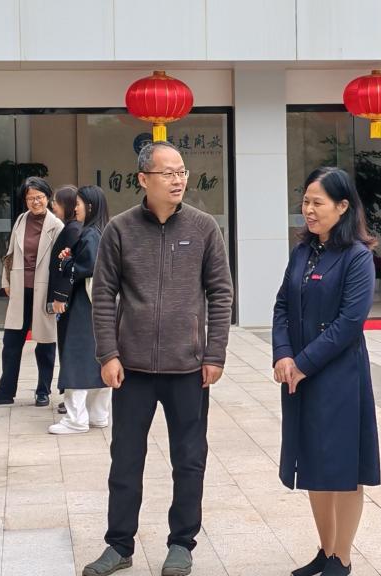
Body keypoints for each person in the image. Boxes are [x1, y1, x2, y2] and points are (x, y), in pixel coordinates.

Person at [83, 141, 233, 576]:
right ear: (143, 179)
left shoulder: (204, 227)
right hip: (132, 370)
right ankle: (119, 545)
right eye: (168, 173)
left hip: (188, 368)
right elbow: (103, 295)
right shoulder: (120, 229)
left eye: (181, 171)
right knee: (125, 460)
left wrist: (214, 352)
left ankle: (182, 543)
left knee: (189, 460)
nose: (178, 180)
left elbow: (221, 292)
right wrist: (108, 353)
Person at [272, 167, 380, 576]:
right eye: (306, 201)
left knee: (344, 469)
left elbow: (349, 323)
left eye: (318, 203)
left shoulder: (357, 257)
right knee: (314, 464)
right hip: (300, 375)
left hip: (340, 378)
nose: (309, 210)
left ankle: (342, 557)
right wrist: (283, 354)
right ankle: (325, 548)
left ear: (343, 206)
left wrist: (302, 363)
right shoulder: (302, 251)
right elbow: (282, 306)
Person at [0, 177, 63, 407]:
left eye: (39, 197)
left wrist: (58, 294)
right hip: (20, 289)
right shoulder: (21, 220)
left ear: (48, 197)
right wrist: (5, 281)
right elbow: (10, 254)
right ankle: (5, 391)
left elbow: (60, 263)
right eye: (30, 198)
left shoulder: (57, 226)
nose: (35, 202)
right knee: (11, 343)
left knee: (45, 343)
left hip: (44, 291)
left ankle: (43, 391)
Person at [49, 185, 111, 434]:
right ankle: (98, 415)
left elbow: (86, 267)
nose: (75, 208)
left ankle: (76, 419)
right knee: (98, 358)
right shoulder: (103, 231)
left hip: (84, 305)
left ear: (90, 206)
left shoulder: (90, 235)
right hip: (100, 305)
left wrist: (66, 261)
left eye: (78, 203)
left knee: (76, 358)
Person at [49, 184, 83, 415]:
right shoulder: (71, 227)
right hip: (66, 297)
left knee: (69, 347)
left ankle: (73, 396)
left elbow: (68, 266)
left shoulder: (73, 230)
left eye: (56, 201)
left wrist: (60, 296)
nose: (53, 205)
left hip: (68, 299)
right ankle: (70, 394)